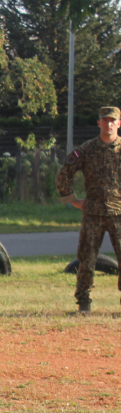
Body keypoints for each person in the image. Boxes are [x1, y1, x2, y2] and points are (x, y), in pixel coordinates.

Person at [55, 107, 121, 314]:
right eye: (105, 120)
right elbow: (64, 173)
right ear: (98, 123)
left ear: (119, 124)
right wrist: (72, 199)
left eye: (113, 120)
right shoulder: (87, 149)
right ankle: (83, 302)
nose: (108, 124)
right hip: (93, 213)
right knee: (87, 259)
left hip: (119, 213)